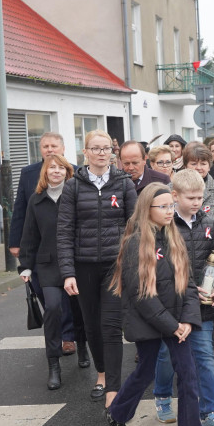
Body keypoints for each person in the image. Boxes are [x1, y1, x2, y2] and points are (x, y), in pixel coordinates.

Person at [105, 185, 214, 426]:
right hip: (152, 321)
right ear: (147, 210)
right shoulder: (135, 243)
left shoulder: (175, 237)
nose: (170, 211)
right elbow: (141, 295)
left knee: (188, 376)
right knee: (145, 371)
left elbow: (188, 285)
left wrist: (188, 321)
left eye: (171, 206)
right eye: (163, 207)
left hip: (177, 323)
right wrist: (173, 326)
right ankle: (117, 414)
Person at [151, 169, 214, 426]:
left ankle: (210, 413)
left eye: (200, 197)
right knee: (166, 355)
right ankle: (163, 395)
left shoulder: (208, 223)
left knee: (206, 359)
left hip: (202, 306)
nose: (197, 202)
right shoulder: (163, 227)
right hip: (172, 307)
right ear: (174, 196)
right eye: (190, 198)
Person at [58, 130, 136, 406]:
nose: (102, 153)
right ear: (85, 153)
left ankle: (114, 385)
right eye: (96, 148)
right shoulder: (73, 186)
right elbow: (65, 230)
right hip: (84, 266)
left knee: (112, 325)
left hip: (115, 266)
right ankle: (101, 373)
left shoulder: (124, 184)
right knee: (91, 325)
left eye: (106, 149)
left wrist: (132, 263)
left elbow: (134, 228)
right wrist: (68, 272)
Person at [9, 132, 88, 365]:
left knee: (75, 303)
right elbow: (21, 210)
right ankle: (62, 338)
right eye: (45, 146)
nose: (49, 149)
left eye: (54, 145)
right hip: (43, 253)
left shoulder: (77, 174)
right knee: (51, 302)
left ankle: (72, 339)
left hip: (74, 256)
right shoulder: (28, 174)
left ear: (63, 148)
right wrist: (17, 245)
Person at [18, 155, 77, 390]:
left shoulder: (75, 196)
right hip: (48, 265)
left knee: (80, 309)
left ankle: (81, 346)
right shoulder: (36, 200)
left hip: (76, 262)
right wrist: (25, 265)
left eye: (61, 167)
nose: (56, 171)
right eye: (52, 167)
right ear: (45, 172)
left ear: (68, 172)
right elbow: (29, 235)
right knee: (53, 307)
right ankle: (54, 363)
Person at [182, 142, 214, 257]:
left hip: (212, 258)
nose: (198, 168)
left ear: (209, 166)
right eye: (193, 163)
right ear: (185, 166)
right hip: (181, 257)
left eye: (203, 164)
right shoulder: (173, 189)